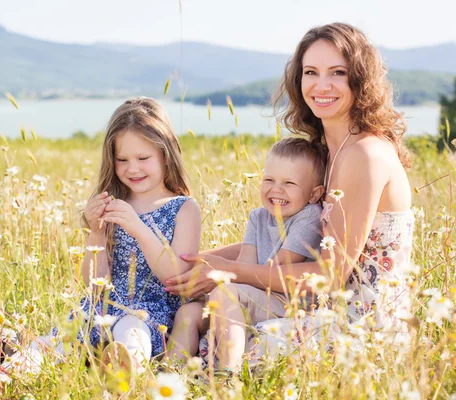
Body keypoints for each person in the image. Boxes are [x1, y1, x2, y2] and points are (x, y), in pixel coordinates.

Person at [164, 22, 414, 373]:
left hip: (358, 323)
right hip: (316, 303)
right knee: (195, 306)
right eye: (311, 72)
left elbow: (331, 275)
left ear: (361, 79)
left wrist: (230, 272)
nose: (321, 85)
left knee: (223, 311)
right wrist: (198, 260)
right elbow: (290, 242)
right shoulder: (331, 151)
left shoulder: (365, 154)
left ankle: (222, 381)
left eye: (338, 73)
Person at [0, 97, 201, 380]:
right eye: (122, 160)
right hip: (102, 306)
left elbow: (177, 277)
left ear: (166, 154)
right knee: (60, 339)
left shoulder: (183, 208)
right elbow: (94, 284)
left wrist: (138, 228)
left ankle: (126, 376)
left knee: (132, 331)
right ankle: (9, 372)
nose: (133, 168)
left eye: (143, 158)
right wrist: (96, 232)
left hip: (150, 315)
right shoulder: (114, 202)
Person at [165, 137, 326, 364]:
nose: (275, 189)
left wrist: (221, 281)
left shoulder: (309, 217)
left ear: (313, 194)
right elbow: (243, 265)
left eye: (289, 183)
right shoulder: (258, 217)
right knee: (188, 313)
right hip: (255, 294)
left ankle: (227, 373)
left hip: (289, 301)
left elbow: (277, 268)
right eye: (269, 179)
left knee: (225, 293)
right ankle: (170, 372)